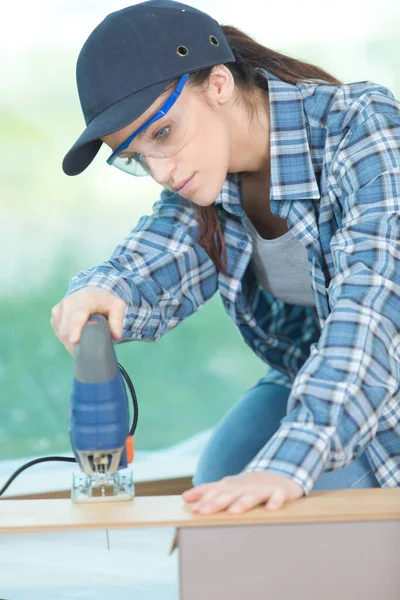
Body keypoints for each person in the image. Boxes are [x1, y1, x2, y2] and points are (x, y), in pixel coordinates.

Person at [51, 0, 400, 515]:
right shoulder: (208, 182)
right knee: (217, 489)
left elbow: (373, 318)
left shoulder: (364, 131)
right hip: (311, 368)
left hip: (381, 368)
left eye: (163, 134)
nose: (162, 172)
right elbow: (159, 252)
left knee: (277, 513)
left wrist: (287, 464)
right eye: (136, 158)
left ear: (218, 84)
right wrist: (105, 291)